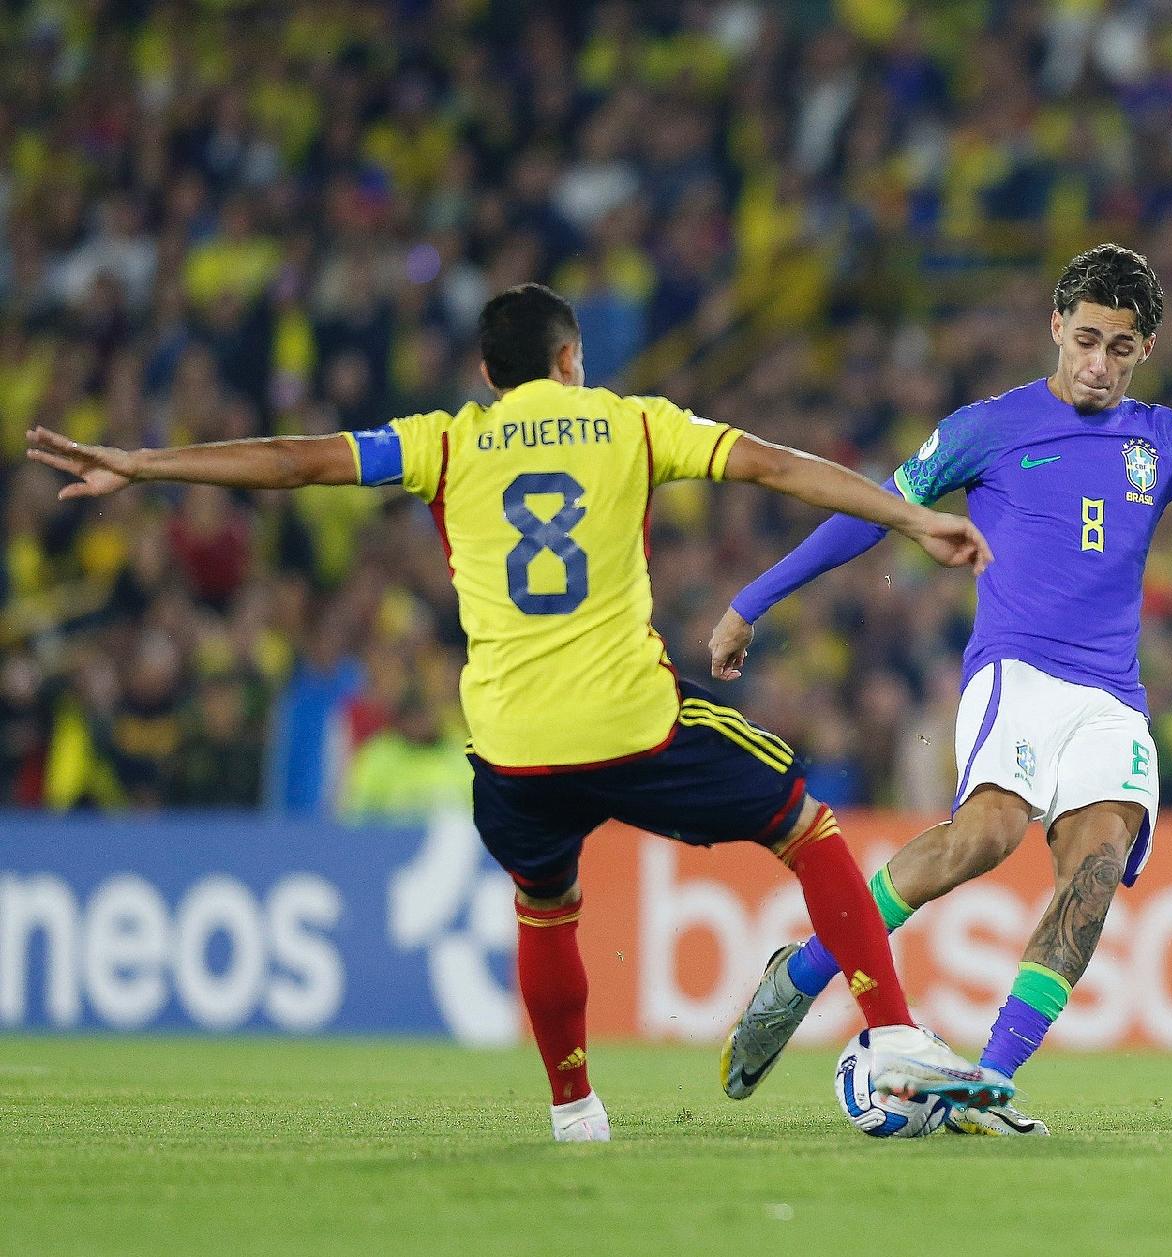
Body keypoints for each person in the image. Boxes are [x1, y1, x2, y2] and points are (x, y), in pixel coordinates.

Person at [25, 282, 1011, 1142]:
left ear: (488, 374)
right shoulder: (631, 422)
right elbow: (775, 465)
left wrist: (144, 464)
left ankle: (575, 1112)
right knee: (805, 824)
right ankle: (891, 1038)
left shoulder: (446, 444)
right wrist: (915, 514)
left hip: (511, 747)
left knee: (547, 908)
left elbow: (293, 461)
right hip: (631, 722)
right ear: (570, 358)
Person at [711, 244, 1172, 1134]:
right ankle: (803, 973)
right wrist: (751, 600)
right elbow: (875, 515)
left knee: (1095, 873)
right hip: (1018, 671)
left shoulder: (1168, 440)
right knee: (987, 836)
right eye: (1085, 338)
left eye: (1120, 347)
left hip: (1112, 696)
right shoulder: (989, 426)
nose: (1097, 362)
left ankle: (987, 1082)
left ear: (1144, 347)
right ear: (1055, 326)